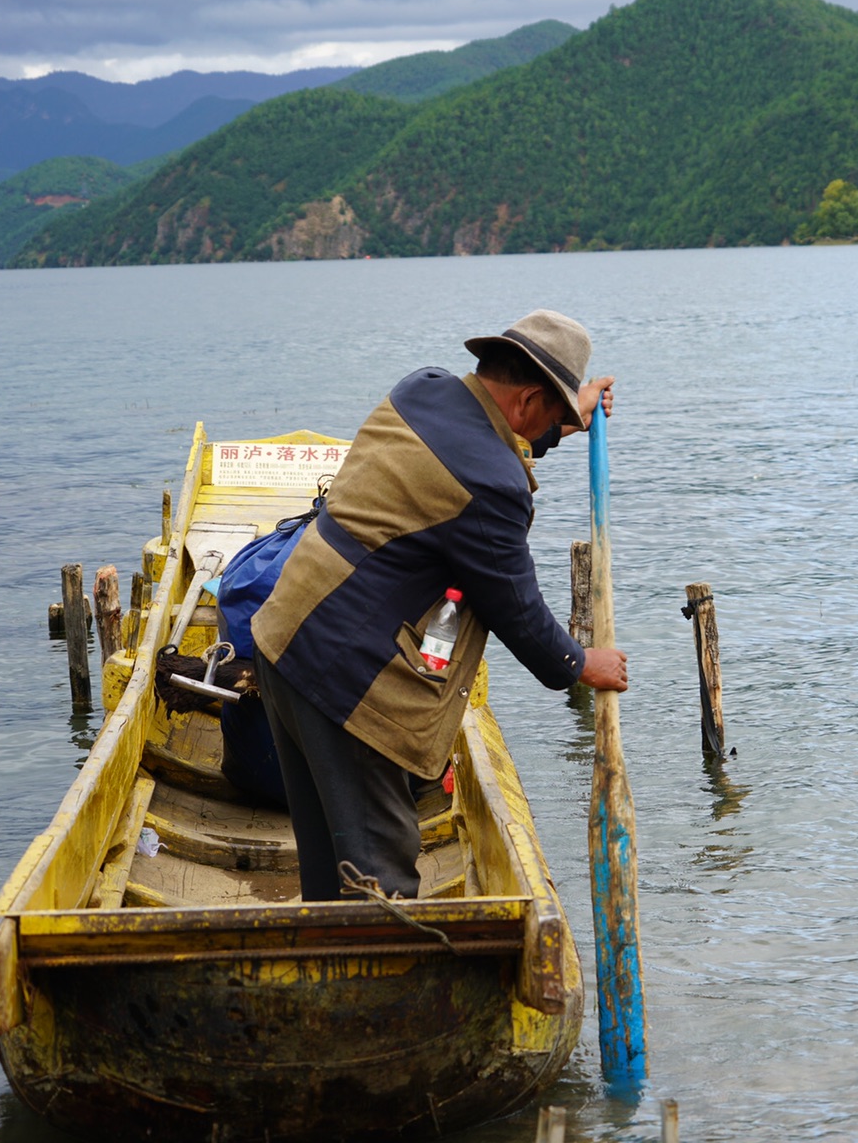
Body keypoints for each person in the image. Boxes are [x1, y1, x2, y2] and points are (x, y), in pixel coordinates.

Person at [251, 309, 629, 901]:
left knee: (328, 869)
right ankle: (382, 986)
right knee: (379, 881)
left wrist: (563, 423)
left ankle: (332, 973)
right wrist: (581, 665)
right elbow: (519, 612)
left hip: (284, 636)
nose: (548, 429)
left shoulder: (421, 391)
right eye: (550, 414)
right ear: (528, 399)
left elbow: (486, 443)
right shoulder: (493, 486)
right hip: (347, 683)